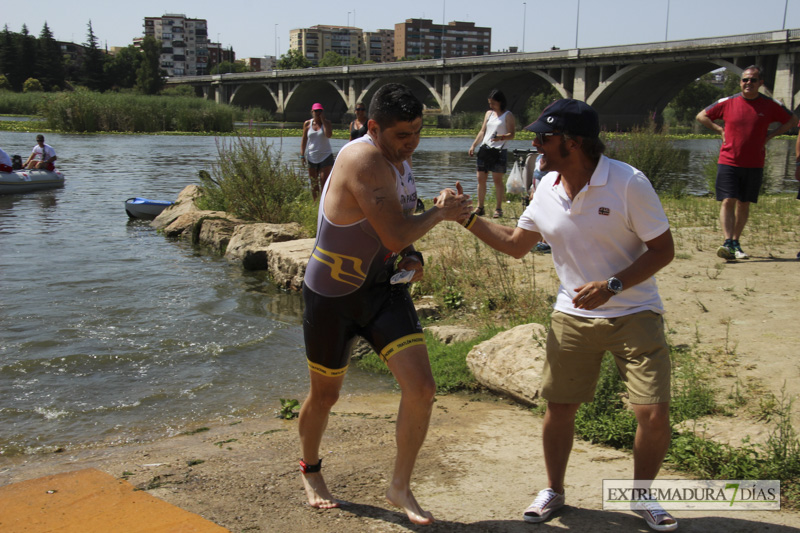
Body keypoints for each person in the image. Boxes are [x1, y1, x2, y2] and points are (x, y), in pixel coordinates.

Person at [459, 99, 677, 532]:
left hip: (635, 312)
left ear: (572, 143)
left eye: (544, 137)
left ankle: (642, 495)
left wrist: (613, 285)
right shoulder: (546, 187)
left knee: (652, 413)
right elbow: (516, 244)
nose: (535, 144)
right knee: (559, 409)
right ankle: (554, 491)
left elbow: (663, 250)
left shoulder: (629, 182)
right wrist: (467, 218)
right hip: (572, 316)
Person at [298, 83, 471, 526]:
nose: (411, 144)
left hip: (381, 290)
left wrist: (412, 258)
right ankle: (311, 470)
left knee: (423, 388)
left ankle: (400, 486)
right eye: (401, 135)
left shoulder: (398, 160)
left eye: (417, 133)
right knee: (326, 395)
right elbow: (396, 231)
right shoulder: (362, 158)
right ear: (372, 127)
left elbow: (395, 238)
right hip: (333, 295)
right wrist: (442, 213)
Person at [696, 65, 796, 261]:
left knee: (743, 203)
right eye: (745, 80)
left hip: (754, 162)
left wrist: (771, 135)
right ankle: (727, 242)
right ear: (740, 82)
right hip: (728, 160)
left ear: (761, 83)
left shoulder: (769, 104)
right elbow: (702, 116)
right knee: (727, 200)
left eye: (753, 80)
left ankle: (736, 241)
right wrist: (720, 130)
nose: (748, 83)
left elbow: (792, 120)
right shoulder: (728, 102)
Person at [468, 89, 516, 218]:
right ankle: (480, 206)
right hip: (485, 149)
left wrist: (501, 137)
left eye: (493, 103)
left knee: (497, 180)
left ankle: (498, 208)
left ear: (500, 102)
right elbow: (483, 131)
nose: (491, 106)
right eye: (490, 103)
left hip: (499, 150)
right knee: (480, 178)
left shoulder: (508, 115)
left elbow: (512, 135)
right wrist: (474, 145)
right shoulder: (488, 114)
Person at [300, 103, 334, 199]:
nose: (318, 113)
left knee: (324, 182)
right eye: (316, 111)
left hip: (325, 156)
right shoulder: (307, 124)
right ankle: (315, 204)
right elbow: (304, 140)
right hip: (312, 156)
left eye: (320, 111)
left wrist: (323, 120)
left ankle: (324, 204)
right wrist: (302, 155)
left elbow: (328, 135)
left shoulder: (327, 123)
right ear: (312, 112)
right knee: (314, 184)